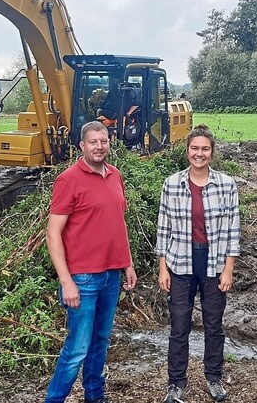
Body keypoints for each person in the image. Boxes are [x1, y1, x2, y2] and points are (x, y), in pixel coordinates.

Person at [44, 120, 138, 403]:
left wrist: (128, 262)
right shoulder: (69, 179)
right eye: (93, 142)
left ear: (110, 143)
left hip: (111, 274)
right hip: (82, 278)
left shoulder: (115, 175)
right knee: (77, 348)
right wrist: (66, 281)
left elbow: (117, 223)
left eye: (104, 141)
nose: (99, 146)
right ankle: (54, 399)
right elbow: (53, 233)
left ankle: (95, 397)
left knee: (100, 342)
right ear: (82, 146)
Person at [156, 124, 240, 403]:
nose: (199, 153)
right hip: (179, 263)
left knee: (214, 324)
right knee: (179, 325)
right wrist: (162, 267)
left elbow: (232, 231)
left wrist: (228, 269)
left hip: (214, 262)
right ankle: (176, 383)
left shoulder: (226, 185)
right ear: (187, 151)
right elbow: (163, 228)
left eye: (205, 149)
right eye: (195, 148)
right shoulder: (171, 183)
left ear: (212, 153)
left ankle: (214, 378)